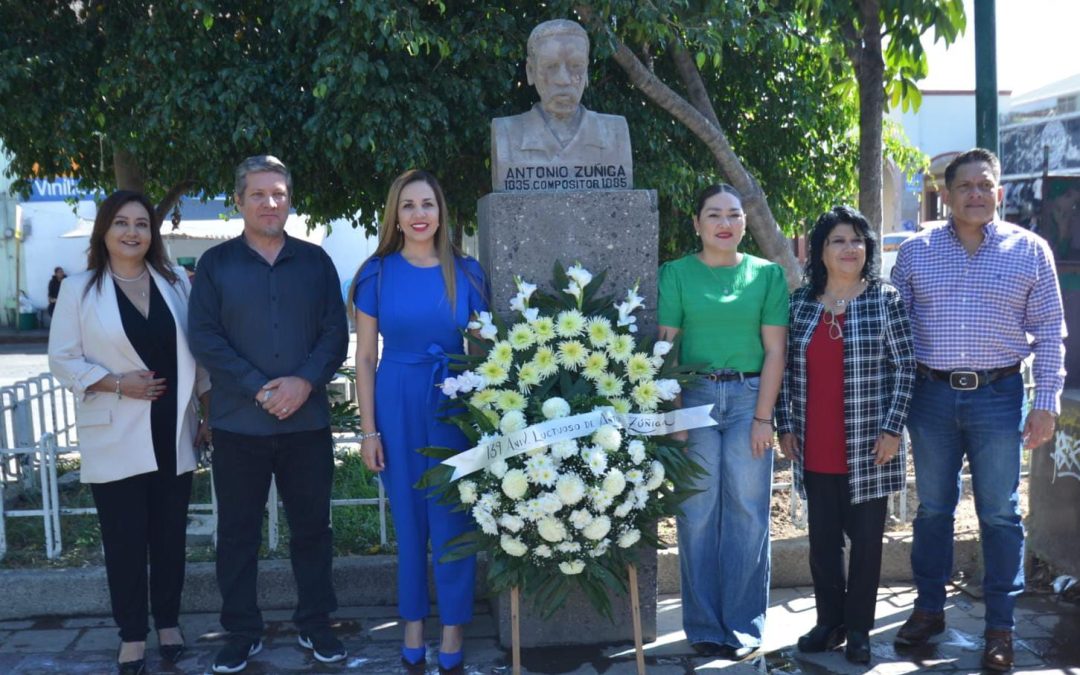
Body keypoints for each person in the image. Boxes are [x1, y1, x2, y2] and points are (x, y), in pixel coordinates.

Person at [891, 148, 1067, 672]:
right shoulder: (917, 252)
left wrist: (1045, 405)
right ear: (944, 195)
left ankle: (1000, 627)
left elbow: (1051, 336)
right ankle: (928, 611)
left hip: (998, 396)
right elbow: (895, 332)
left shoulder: (1030, 251)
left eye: (983, 184)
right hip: (931, 396)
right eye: (963, 186)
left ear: (1000, 192)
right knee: (933, 510)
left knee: (999, 512)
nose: (974, 193)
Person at [188, 155, 349, 673]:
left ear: (290, 198)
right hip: (240, 424)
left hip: (306, 422)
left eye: (278, 193)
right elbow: (205, 337)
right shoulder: (215, 265)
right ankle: (240, 630)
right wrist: (261, 388)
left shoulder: (316, 261)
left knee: (313, 530)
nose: (270, 203)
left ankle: (316, 623)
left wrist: (303, 382)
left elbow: (334, 334)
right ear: (238, 201)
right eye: (258, 194)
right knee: (237, 534)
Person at [48, 191, 210, 675]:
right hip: (114, 430)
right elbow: (62, 359)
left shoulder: (174, 281)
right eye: (121, 222)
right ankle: (132, 635)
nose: (132, 232)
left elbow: (196, 354)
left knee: (168, 539)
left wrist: (206, 410)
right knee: (123, 540)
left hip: (172, 430)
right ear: (104, 230)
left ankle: (168, 624)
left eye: (142, 224)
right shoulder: (80, 288)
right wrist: (117, 383)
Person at [352, 169, 488, 675]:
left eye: (427, 204)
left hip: (453, 403)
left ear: (441, 211)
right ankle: (413, 627)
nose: (418, 214)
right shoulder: (377, 273)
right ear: (396, 214)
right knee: (408, 520)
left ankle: (453, 629)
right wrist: (368, 431)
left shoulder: (469, 273)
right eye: (408, 205)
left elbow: (482, 354)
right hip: (397, 398)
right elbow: (365, 358)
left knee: (453, 519)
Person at [776, 206, 915, 664]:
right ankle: (828, 623)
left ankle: (858, 629)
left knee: (868, 544)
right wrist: (785, 425)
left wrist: (893, 429)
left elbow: (905, 368)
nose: (849, 248)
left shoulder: (884, 299)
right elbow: (782, 371)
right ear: (820, 250)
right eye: (838, 240)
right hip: (815, 445)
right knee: (823, 546)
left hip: (870, 445)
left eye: (857, 240)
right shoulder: (799, 304)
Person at [657, 183, 788, 660]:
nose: (724, 223)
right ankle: (704, 625)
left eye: (733, 215)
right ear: (697, 224)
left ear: (744, 223)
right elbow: (666, 348)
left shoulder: (767, 276)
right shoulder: (674, 274)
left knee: (748, 513)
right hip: (694, 396)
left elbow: (775, 350)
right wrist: (673, 414)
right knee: (696, 513)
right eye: (714, 215)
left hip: (750, 396)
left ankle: (744, 626)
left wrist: (763, 418)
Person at [490, 19, 632, 191]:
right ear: (530, 71)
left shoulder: (615, 133)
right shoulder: (507, 133)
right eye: (550, 66)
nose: (563, 80)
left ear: (586, 70)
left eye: (576, 66)